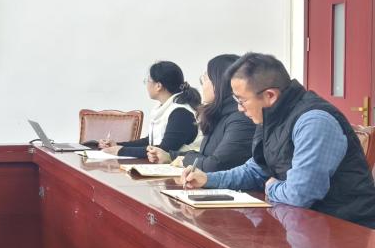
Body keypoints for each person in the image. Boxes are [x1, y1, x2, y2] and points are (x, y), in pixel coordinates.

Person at [182, 53, 375, 228]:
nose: (240, 108)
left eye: (242, 101)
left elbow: (299, 194)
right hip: (303, 223)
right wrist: (208, 179)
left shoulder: (314, 122)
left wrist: (272, 187)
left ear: (270, 95)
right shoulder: (270, 116)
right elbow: (256, 169)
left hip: (346, 230)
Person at [146, 54, 254, 172]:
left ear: (219, 83)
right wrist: (171, 156)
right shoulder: (218, 114)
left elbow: (215, 165)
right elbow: (205, 156)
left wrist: (183, 160)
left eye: (205, 78)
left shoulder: (241, 119)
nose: (202, 84)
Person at [100, 61, 200, 158]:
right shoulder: (164, 108)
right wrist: (117, 145)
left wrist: (121, 151)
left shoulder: (180, 113)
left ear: (158, 86)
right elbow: (150, 142)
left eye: (147, 81)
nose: (146, 85)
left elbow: (164, 150)